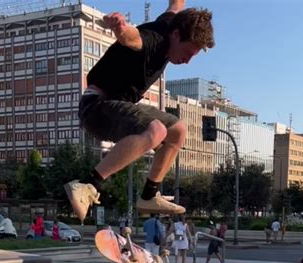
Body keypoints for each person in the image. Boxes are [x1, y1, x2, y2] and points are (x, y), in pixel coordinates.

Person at [64, 1, 215, 222]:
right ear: (175, 35)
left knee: (178, 130)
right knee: (156, 131)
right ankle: (88, 184)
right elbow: (131, 38)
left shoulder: (171, 22)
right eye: (186, 53)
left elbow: (175, 5)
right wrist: (119, 27)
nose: (186, 61)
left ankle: (149, 195)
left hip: (118, 106)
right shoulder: (153, 41)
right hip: (96, 107)